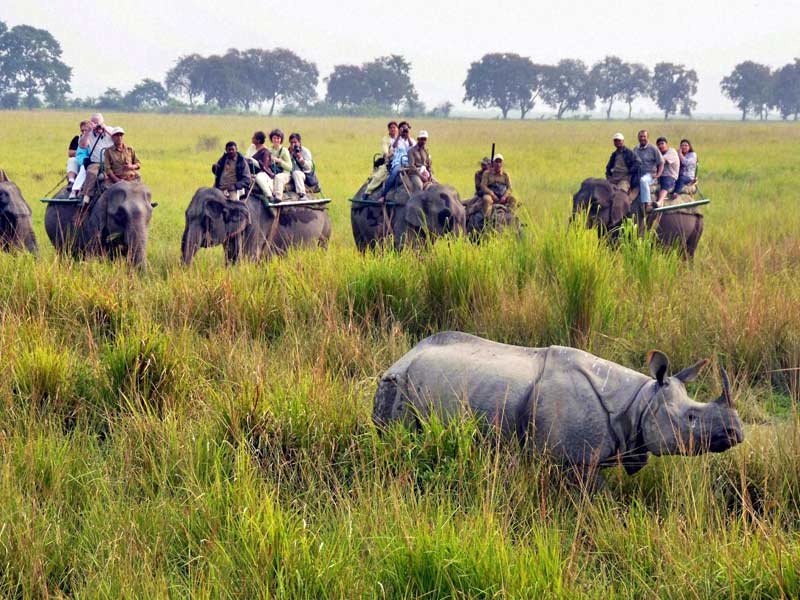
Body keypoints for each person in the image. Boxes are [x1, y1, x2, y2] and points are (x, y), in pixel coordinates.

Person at [78, 113, 116, 204]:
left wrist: (104, 128)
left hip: (112, 162)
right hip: (96, 162)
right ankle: (86, 195)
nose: (96, 125)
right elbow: (83, 146)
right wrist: (88, 132)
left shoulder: (110, 130)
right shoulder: (88, 133)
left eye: (98, 123)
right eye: (93, 123)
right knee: (91, 172)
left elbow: (118, 139)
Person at [378, 121, 415, 202]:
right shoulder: (396, 139)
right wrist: (399, 135)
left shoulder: (412, 140)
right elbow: (394, 146)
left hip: (409, 162)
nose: (405, 130)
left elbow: (412, 147)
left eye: (406, 128)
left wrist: (408, 136)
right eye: (403, 128)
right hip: (398, 162)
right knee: (393, 174)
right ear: (399, 129)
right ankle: (383, 195)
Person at [633, 129, 663, 207]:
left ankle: (647, 202)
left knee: (643, 181)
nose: (642, 138)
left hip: (650, 175)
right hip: (638, 174)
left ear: (648, 137)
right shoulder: (635, 149)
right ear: (638, 138)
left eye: (644, 136)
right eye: (641, 136)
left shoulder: (653, 149)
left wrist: (658, 175)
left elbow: (661, 162)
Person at [246, 131, 275, 198]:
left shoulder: (265, 152)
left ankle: (269, 196)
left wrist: (252, 161)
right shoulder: (252, 147)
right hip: (249, 171)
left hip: (262, 173)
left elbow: (264, 167)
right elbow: (246, 157)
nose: (252, 138)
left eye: (254, 138)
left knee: (259, 178)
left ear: (258, 141)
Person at [288, 132, 316, 199]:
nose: (293, 145)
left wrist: (301, 159)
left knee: (296, 173)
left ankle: (302, 194)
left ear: (299, 142)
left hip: (303, 174)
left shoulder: (305, 151)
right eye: (291, 143)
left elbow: (309, 167)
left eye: (295, 142)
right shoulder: (288, 151)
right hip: (290, 174)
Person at [267, 129, 292, 201]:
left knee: (278, 178)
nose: (276, 140)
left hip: (284, 174)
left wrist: (279, 162)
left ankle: (278, 197)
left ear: (281, 139)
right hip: (272, 172)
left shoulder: (284, 151)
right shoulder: (269, 150)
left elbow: (290, 167)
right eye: (274, 138)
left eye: (278, 138)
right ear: (271, 139)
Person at [655, 137, 679, 205]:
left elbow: (662, 160)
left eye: (662, 143)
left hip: (670, 175)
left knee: (665, 184)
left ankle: (660, 201)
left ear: (666, 144)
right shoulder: (659, 153)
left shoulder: (671, 152)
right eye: (658, 144)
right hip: (660, 176)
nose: (660, 146)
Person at [67, 120, 90, 185]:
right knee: (72, 160)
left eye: (86, 130)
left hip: (90, 162)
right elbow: (70, 153)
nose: (84, 132)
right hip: (79, 161)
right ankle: (71, 180)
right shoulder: (77, 138)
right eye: (82, 130)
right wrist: (81, 152)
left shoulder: (94, 138)